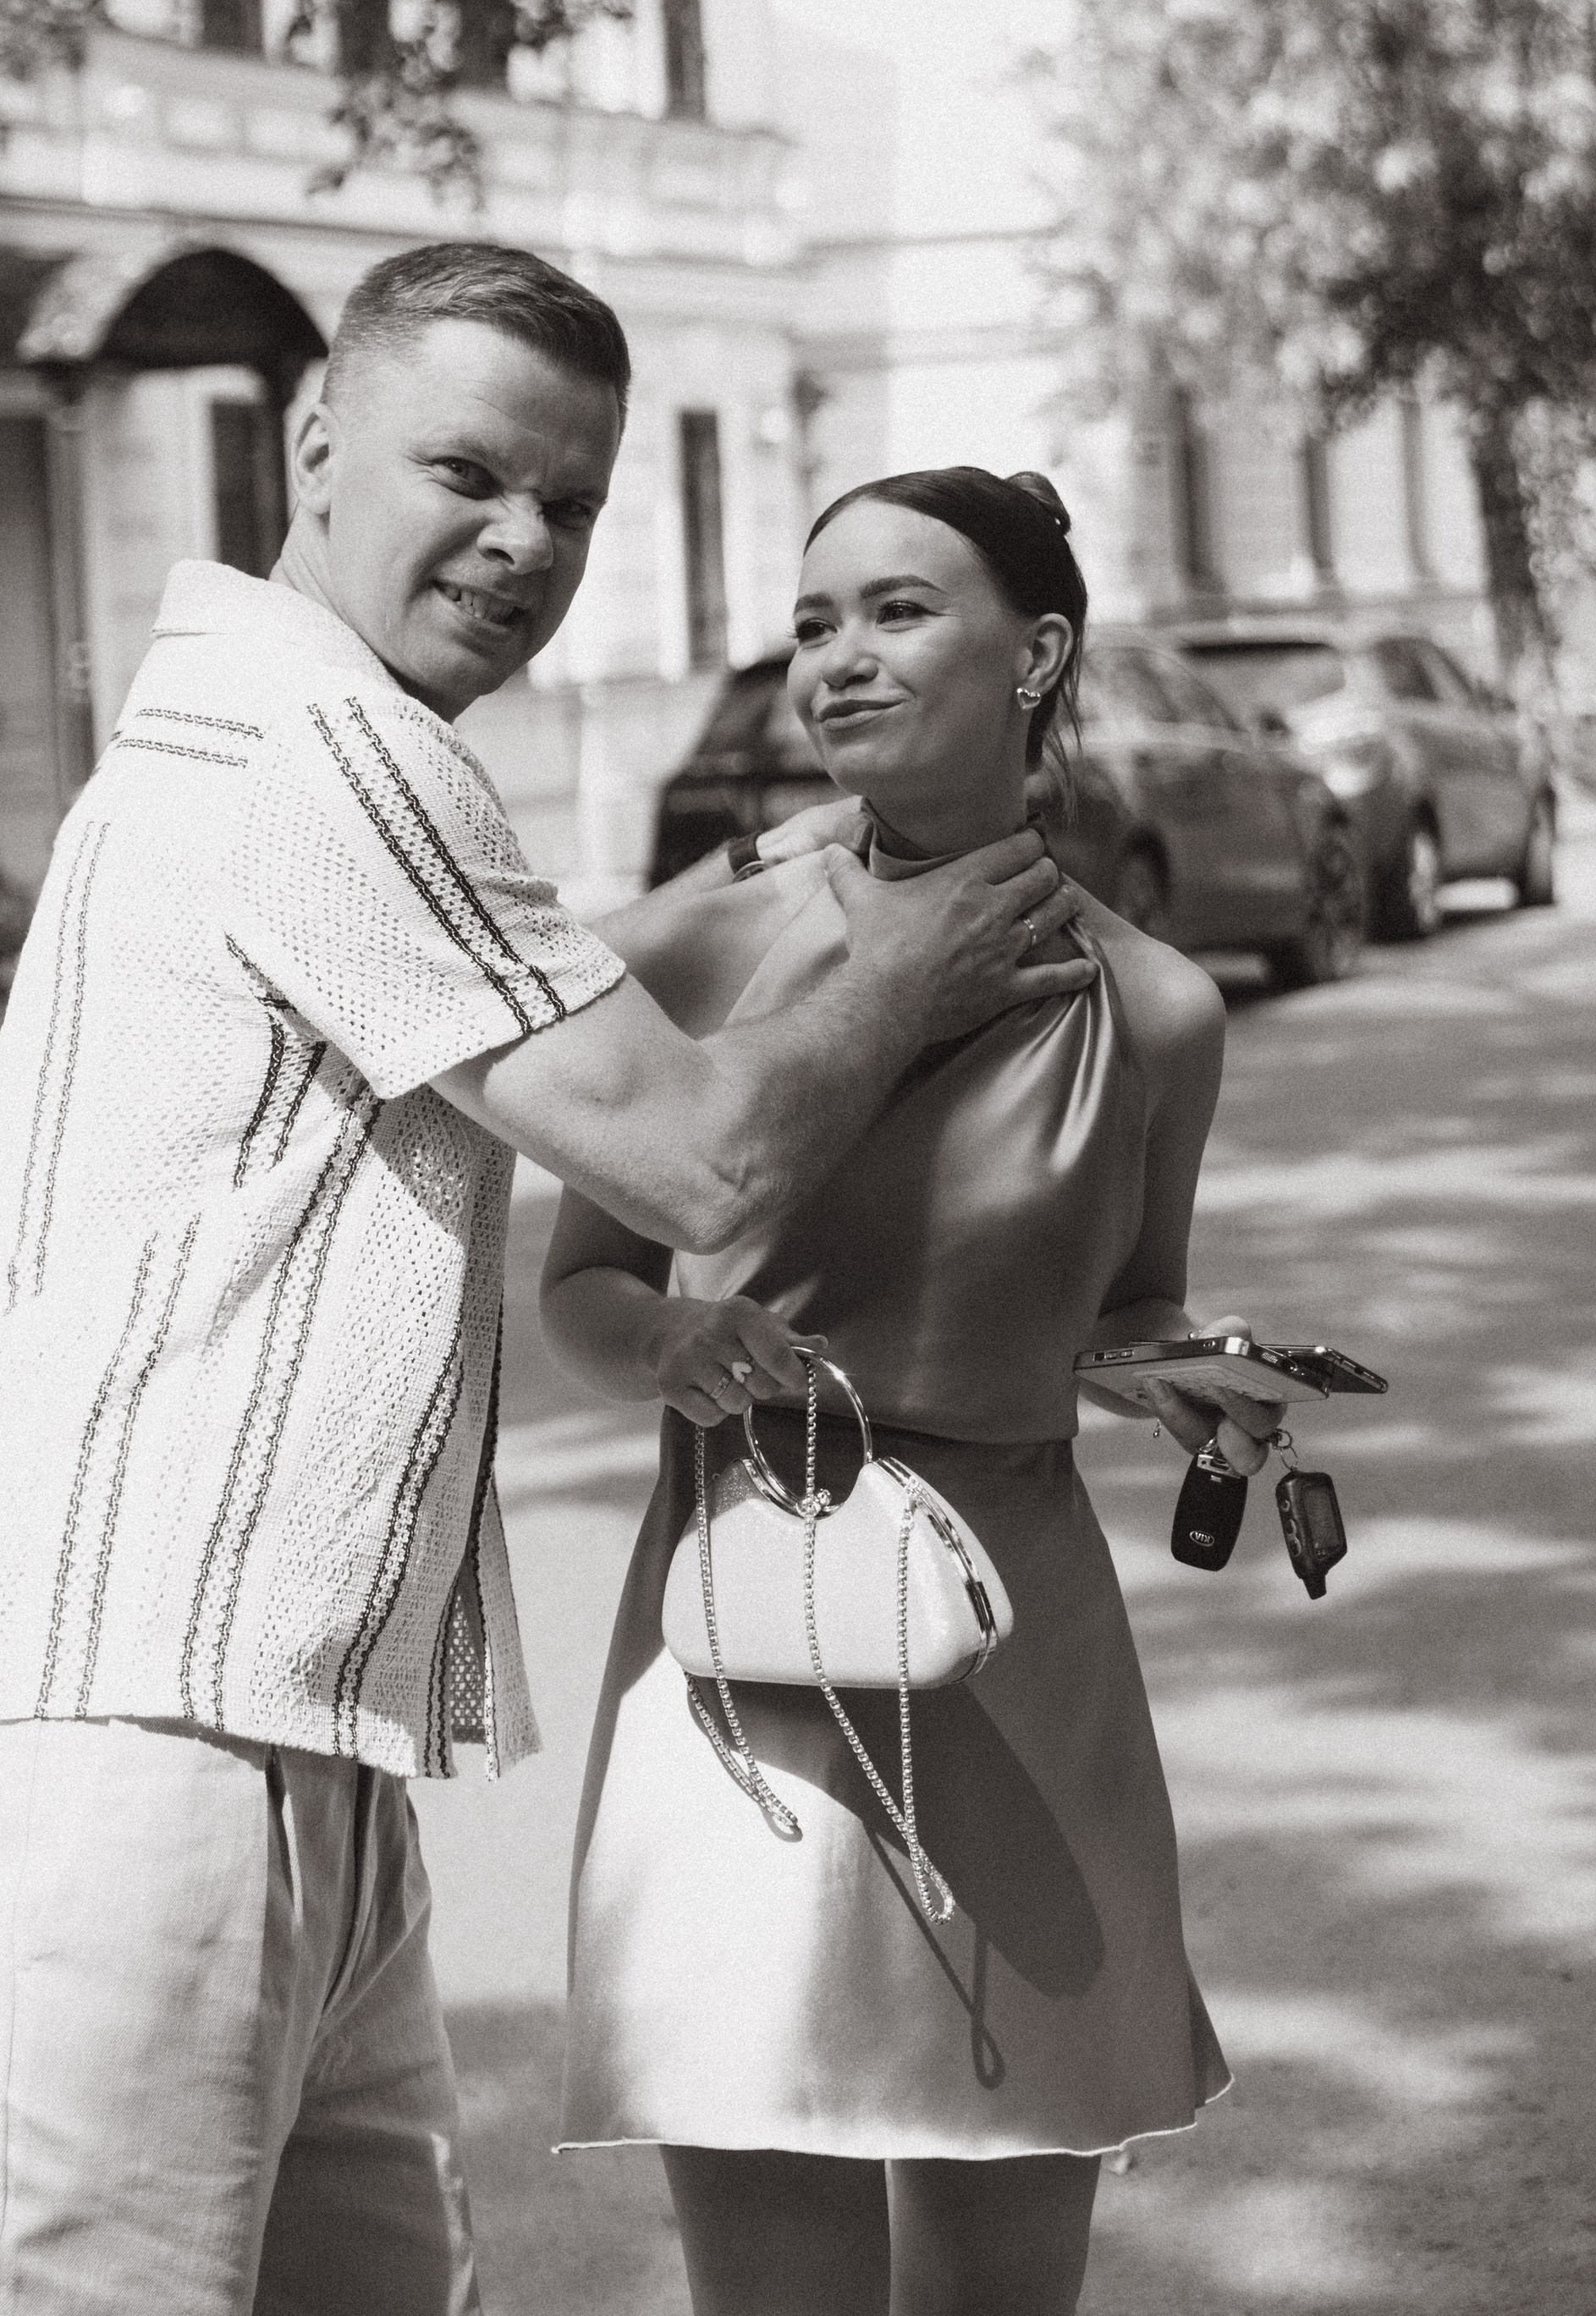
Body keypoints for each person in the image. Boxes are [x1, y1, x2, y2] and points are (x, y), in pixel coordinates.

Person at [0, 246, 1092, 2316]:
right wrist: (898, 965)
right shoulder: (321, 746)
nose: (524, 543)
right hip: (127, 1769)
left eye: (573, 502)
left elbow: (529, 1005)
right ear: (316, 440)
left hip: (281, 1756)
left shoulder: (285, 734)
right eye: (469, 472)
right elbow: (690, 1148)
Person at [543, 465, 1280, 2316]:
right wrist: (674, 1344)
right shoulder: (705, 944)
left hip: (1016, 1672)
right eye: (812, 622)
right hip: (746, 1656)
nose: (836, 660)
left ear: (1033, 653)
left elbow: (1124, 1309)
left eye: (894, 611)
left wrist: (1183, 1378)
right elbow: (577, 1290)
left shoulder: (1160, 1013)